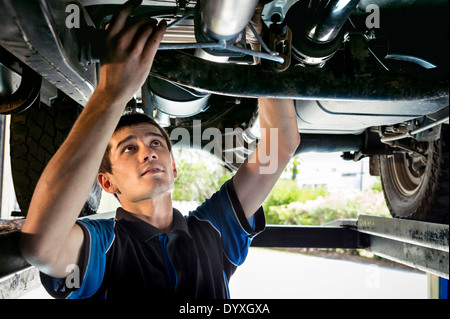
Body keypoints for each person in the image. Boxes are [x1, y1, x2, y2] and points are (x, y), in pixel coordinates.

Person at [19, 0, 300, 299]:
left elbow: (280, 143)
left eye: (155, 142)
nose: (148, 152)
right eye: (128, 149)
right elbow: (42, 247)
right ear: (107, 182)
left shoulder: (212, 230)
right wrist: (109, 94)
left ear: (174, 167)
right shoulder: (103, 246)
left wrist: (260, 44)